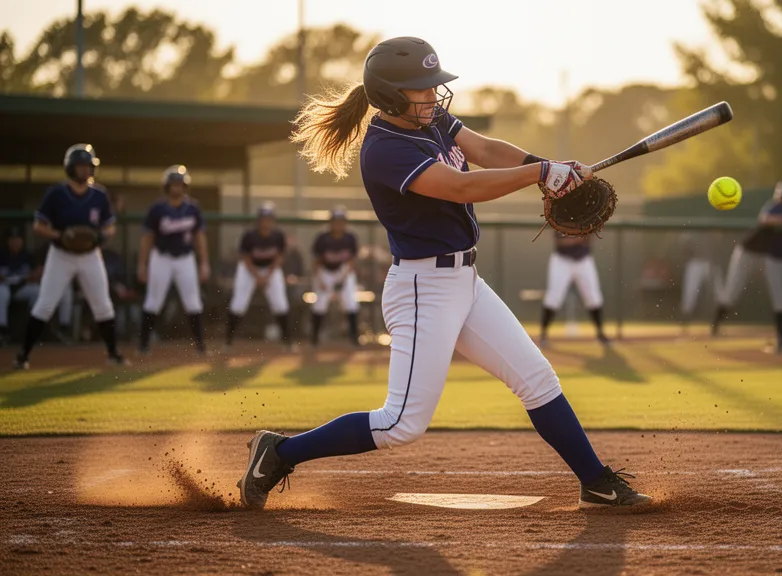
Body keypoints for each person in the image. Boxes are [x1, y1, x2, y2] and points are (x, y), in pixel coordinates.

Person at [236, 36, 648, 511]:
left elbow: (488, 150)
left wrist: (549, 167)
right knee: (400, 424)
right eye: (422, 88)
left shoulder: (431, 120)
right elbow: (457, 186)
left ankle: (596, 482)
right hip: (422, 288)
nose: (433, 95)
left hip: (465, 282)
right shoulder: (384, 149)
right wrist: (540, 176)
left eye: (434, 86)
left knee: (537, 379)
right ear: (390, 95)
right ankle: (280, 452)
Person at [14, 144, 127, 369]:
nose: (84, 171)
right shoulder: (57, 193)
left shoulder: (99, 195)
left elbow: (110, 228)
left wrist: (99, 237)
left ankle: (113, 354)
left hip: (90, 255)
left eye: (88, 166)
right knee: (45, 305)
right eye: (80, 166)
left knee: (103, 306)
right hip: (62, 255)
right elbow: (39, 226)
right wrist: (62, 235)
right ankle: (23, 356)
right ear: (70, 168)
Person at [712, 182, 782, 352]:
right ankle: (716, 323)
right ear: (778, 197)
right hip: (749, 251)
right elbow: (765, 218)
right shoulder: (773, 207)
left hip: (769, 255)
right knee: (732, 291)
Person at [137, 165, 210, 354]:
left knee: (193, 302)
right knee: (153, 301)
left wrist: (204, 262)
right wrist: (142, 264)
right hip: (161, 257)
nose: (176, 188)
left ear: (185, 187)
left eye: (180, 185)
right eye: (173, 185)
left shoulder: (192, 208)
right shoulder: (157, 209)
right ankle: (143, 345)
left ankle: (200, 346)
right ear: (167, 187)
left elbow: (199, 237)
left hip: (185, 259)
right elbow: (147, 238)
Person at [225, 202, 293, 350]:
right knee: (239, 304)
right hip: (249, 270)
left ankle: (288, 342)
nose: (266, 222)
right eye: (264, 219)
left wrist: (267, 275)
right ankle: (228, 341)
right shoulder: (250, 236)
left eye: (269, 219)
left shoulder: (278, 235)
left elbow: (280, 257)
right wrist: (257, 276)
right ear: (259, 220)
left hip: (270, 270)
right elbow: (245, 258)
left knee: (280, 304)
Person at [539, 232, 609, 346]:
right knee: (553, 297)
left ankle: (601, 334)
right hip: (562, 260)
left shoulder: (587, 215)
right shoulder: (561, 214)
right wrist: (578, 237)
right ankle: (543, 335)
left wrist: (574, 237)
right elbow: (561, 241)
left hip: (584, 260)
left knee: (593, 297)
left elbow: (590, 238)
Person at [310, 207, 361, 347]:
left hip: (343, 272)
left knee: (350, 302)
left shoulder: (350, 238)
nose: (338, 224)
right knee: (320, 304)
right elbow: (316, 262)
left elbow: (351, 262)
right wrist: (320, 280)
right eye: (335, 221)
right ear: (330, 223)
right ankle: (314, 339)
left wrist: (343, 278)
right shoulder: (323, 238)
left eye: (341, 221)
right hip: (325, 272)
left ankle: (354, 338)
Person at [0, 229, 39, 344]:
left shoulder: (27, 255)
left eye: (18, 239)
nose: (15, 242)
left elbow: (38, 271)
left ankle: (34, 328)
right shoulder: (1, 255)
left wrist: (33, 275)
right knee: (2, 293)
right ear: (7, 241)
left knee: (38, 291)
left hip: (21, 287)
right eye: (12, 240)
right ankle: (2, 329)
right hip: (4, 285)